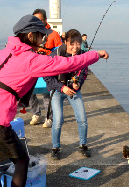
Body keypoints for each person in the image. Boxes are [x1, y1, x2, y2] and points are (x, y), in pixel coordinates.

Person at [0, 15, 109, 187]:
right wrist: (95, 54)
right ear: (31, 36)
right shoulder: (31, 60)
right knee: (22, 160)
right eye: (41, 35)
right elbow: (68, 64)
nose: (43, 39)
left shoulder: (2, 52)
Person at [44, 29, 93, 160]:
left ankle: (83, 145)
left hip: (74, 91)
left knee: (82, 119)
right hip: (57, 91)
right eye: (72, 44)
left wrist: (79, 83)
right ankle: (55, 148)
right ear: (65, 42)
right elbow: (47, 76)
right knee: (58, 120)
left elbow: (84, 72)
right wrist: (62, 87)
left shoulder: (82, 55)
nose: (75, 47)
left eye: (78, 44)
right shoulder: (55, 55)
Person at [29, 8, 63, 128]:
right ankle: (36, 114)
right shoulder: (31, 33)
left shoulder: (53, 34)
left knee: (47, 93)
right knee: (30, 91)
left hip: (48, 68)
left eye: (39, 20)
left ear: (45, 20)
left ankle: (49, 117)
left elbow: (60, 52)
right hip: (34, 67)